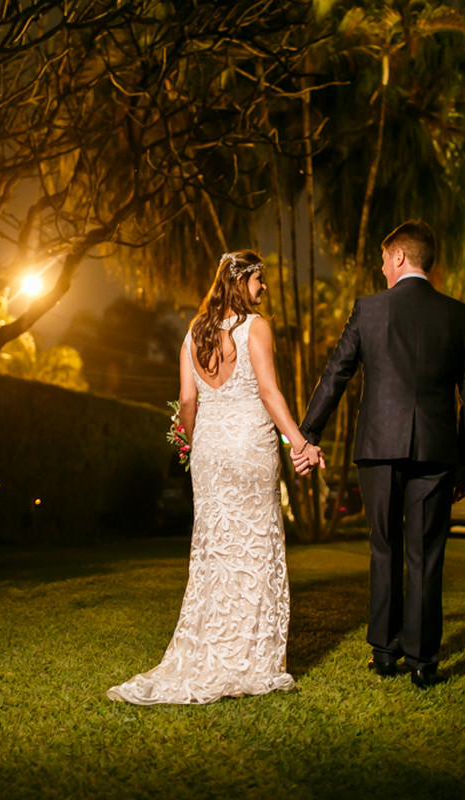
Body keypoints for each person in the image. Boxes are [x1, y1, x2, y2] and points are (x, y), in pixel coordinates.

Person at [108, 250, 320, 705]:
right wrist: (298, 442)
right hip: (249, 444)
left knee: (217, 547)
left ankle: (213, 649)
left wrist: (189, 442)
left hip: (209, 450)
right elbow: (268, 391)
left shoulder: (193, 334)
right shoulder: (255, 327)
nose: (264, 289)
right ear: (241, 282)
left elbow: (187, 403)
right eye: (260, 280)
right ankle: (250, 659)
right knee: (255, 546)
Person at [293, 220, 465, 689]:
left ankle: (384, 652)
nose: (381, 268)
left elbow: (336, 373)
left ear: (399, 257)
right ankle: (423, 661)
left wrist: (307, 433)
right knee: (426, 553)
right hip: (437, 451)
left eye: (383, 259)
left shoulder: (369, 310)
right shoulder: (459, 316)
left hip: (379, 447)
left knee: (384, 548)